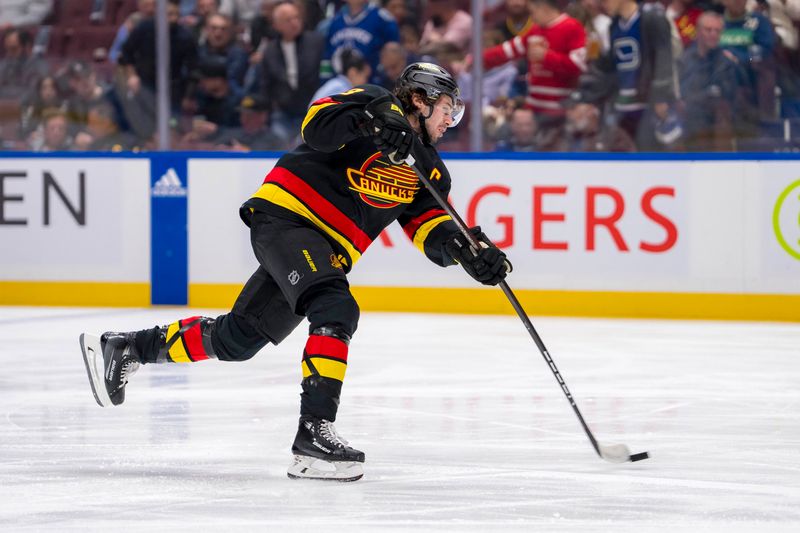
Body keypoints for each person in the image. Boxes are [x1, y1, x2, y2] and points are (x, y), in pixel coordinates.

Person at [78, 62, 511, 482]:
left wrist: (467, 251)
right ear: (420, 98)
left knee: (238, 339)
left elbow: (428, 228)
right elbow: (316, 126)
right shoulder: (376, 102)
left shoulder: (429, 168)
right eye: (448, 107)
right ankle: (313, 436)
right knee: (336, 307)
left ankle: (129, 348)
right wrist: (371, 119)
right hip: (289, 220)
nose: (452, 118)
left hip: (323, 252)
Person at [678, 10, 739, 150]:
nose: (713, 34)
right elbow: (682, 99)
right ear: (698, 31)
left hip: (716, 130)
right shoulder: (683, 61)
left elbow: (729, 101)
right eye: (708, 30)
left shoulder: (727, 64)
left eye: (717, 31)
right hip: (690, 126)